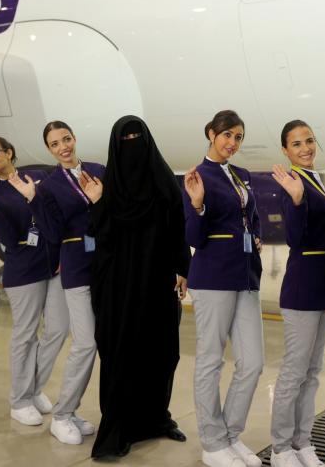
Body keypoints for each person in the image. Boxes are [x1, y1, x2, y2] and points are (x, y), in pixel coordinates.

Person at [86, 115, 191, 458]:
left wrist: (182, 268)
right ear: (117, 147)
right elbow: (102, 238)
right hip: (122, 288)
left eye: (137, 137)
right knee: (123, 354)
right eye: (125, 138)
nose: (132, 143)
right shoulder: (110, 189)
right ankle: (122, 427)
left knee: (162, 353)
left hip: (159, 283)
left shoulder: (164, 184)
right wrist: (99, 204)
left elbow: (178, 228)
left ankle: (156, 419)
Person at [184, 109, 264, 467]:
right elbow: (193, 237)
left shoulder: (242, 175)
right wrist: (198, 205)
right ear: (211, 134)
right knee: (211, 361)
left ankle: (230, 435)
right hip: (213, 277)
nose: (232, 142)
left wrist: (256, 237)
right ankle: (213, 443)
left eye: (238, 137)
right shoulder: (196, 177)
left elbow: (252, 218)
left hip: (245, 276)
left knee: (253, 363)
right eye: (227, 135)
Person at [0, 136, 67, 427]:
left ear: (10, 152)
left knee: (58, 329)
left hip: (54, 267)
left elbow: (55, 212)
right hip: (23, 272)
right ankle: (19, 400)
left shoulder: (38, 177)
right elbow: (7, 241)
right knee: (26, 335)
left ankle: (33, 388)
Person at [269, 120, 325, 467]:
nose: (305, 148)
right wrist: (296, 202)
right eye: (296, 144)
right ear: (286, 151)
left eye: (309, 141)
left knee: (312, 372)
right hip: (301, 289)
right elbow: (296, 241)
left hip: (323, 287)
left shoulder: (318, 181)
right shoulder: (293, 184)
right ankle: (281, 447)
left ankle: (303, 442)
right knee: (294, 372)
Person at [29, 121, 103, 444]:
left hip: (104, 265)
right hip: (75, 268)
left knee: (97, 343)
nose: (63, 147)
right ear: (49, 150)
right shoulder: (49, 185)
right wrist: (33, 199)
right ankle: (60, 414)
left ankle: (70, 410)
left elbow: (114, 215)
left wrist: (100, 199)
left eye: (66, 139)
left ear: (75, 138)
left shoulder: (99, 170)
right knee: (85, 342)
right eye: (55, 143)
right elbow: (53, 232)